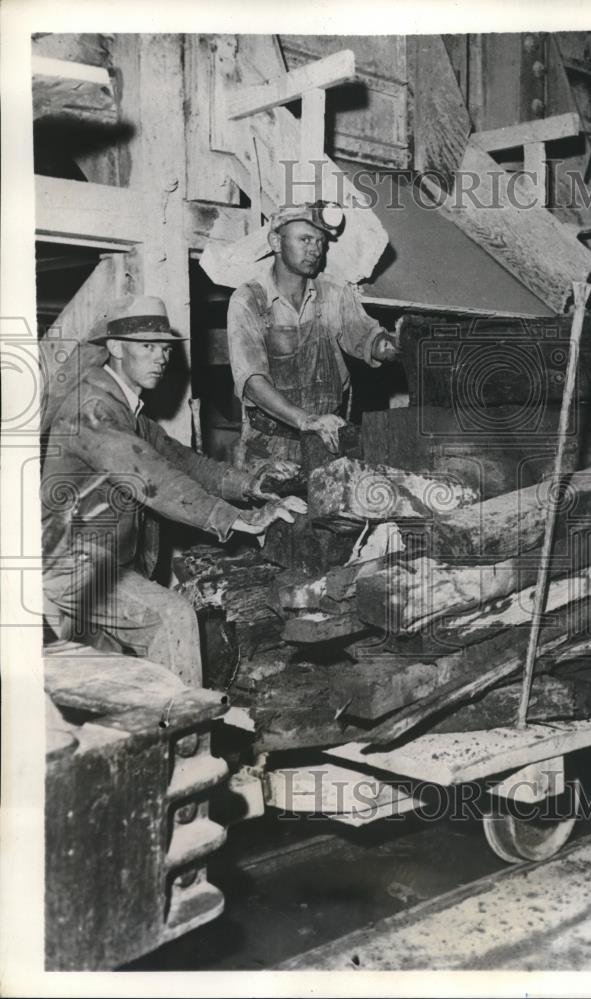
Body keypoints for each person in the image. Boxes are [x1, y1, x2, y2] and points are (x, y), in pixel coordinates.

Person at [41, 294, 306, 687]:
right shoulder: (93, 407)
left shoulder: (128, 410)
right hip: (71, 566)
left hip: (100, 564)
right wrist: (238, 519)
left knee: (108, 690)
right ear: (115, 348)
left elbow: (181, 460)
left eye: (164, 347)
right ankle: (190, 746)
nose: (161, 357)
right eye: (147, 346)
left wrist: (250, 485)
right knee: (173, 617)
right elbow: (152, 477)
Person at [226, 201, 399, 469]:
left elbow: (366, 338)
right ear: (275, 241)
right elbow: (252, 381)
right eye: (305, 239)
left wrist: (393, 345)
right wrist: (305, 420)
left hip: (326, 440)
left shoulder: (333, 293)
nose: (315, 250)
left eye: (320, 242)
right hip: (269, 449)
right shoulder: (249, 300)